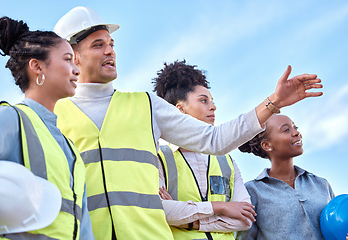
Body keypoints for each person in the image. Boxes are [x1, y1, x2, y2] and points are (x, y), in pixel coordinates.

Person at [53, 6, 323, 240]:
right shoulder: (55, 113)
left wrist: (273, 102)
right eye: (98, 45)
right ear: (72, 56)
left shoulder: (145, 105)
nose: (110, 51)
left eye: (111, 44)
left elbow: (214, 139)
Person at [0, 16, 94, 239]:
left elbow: (82, 225)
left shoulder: (70, 148)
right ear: (36, 66)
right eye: (67, 60)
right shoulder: (9, 118)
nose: (76, 70)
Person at [153, 60, 256, 240]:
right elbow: (163, 210)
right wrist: (220, 207)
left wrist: (191, 221)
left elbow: (245, 219)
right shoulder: (159, 156)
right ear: (180, 109)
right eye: (203, 100)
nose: (213, 106)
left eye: (212, 101)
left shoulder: (227, 161)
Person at [236, 114, 335, 240]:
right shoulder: (252, 191)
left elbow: (335, 228)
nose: (296, 133)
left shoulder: (321, 184)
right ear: (267, 145)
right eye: (286, 130)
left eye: (295, 127)